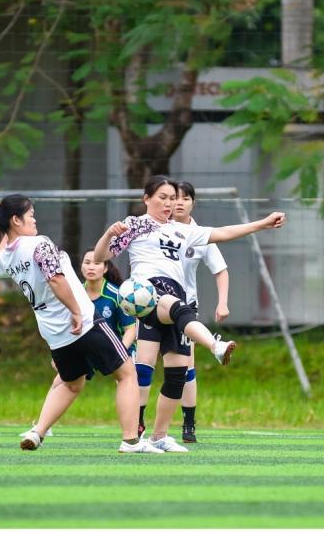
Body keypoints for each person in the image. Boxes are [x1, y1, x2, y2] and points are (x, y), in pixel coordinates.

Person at [94, 175, 286, 452]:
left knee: (177, 373)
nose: (169, 203)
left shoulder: (184, 230)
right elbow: (101, 257)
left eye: (173, 198)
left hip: (175, 296)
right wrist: (109, 234)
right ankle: (215, 345)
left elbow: (224, 233)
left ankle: (158, 437)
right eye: (163, 197)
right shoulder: (134, 225)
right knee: (174, 318)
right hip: (148, 292)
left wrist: (263, 223)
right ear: (146, 198)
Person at [0, 194, 163, 454]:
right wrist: (76, 312)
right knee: (127, 374)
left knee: (72, 383)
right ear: (16, 220)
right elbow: (56, 279)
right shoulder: (38, 244)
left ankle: (37, 432)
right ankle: (131, 441)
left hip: (53, 332)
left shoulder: (6, 259)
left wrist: (5, 232)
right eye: (30, 215)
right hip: (82, 322)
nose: (35, 219)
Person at [134, 181, 230, 443]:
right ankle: (137, 425)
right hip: (151, 299)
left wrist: (223, 302)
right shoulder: (148, 228)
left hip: (187, 305)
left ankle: (186, 424)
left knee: (183, 369)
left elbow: (220, 268)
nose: (177, 203)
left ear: (192, 204)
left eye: (184, 199)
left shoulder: (197, 234)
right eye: (172, 198)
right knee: (144, 365)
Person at [39, 249, 138, 428]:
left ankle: (136, 429)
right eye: (87, 262)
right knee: (61, 380)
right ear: (81, 267)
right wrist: (60, 357)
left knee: (128, 380)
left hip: (117, 346)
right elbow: (63, 328)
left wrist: (119, 353)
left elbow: (130, 330)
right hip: (86, 345)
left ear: (105, 268)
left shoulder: (117, 295)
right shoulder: (72, 293)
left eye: (97, 263)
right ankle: (41, 427)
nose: (91, 267)